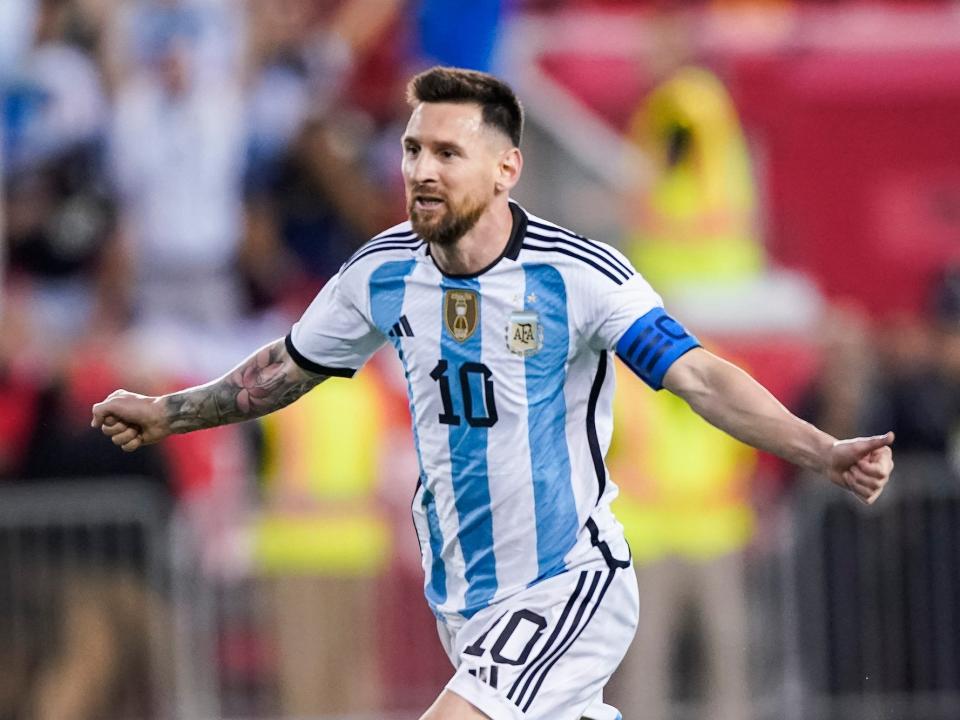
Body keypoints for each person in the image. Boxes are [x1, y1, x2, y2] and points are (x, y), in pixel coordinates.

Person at [91, 66, 895, 720]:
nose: (421, 171)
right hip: (468, 603)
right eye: (412, 151)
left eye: (447, 153)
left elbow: (700, 376)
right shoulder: (383, 273)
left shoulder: (578, 276)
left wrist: (820, 448)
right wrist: (170, 412)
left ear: (507, 167)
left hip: (568, 582)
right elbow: (282, 369)